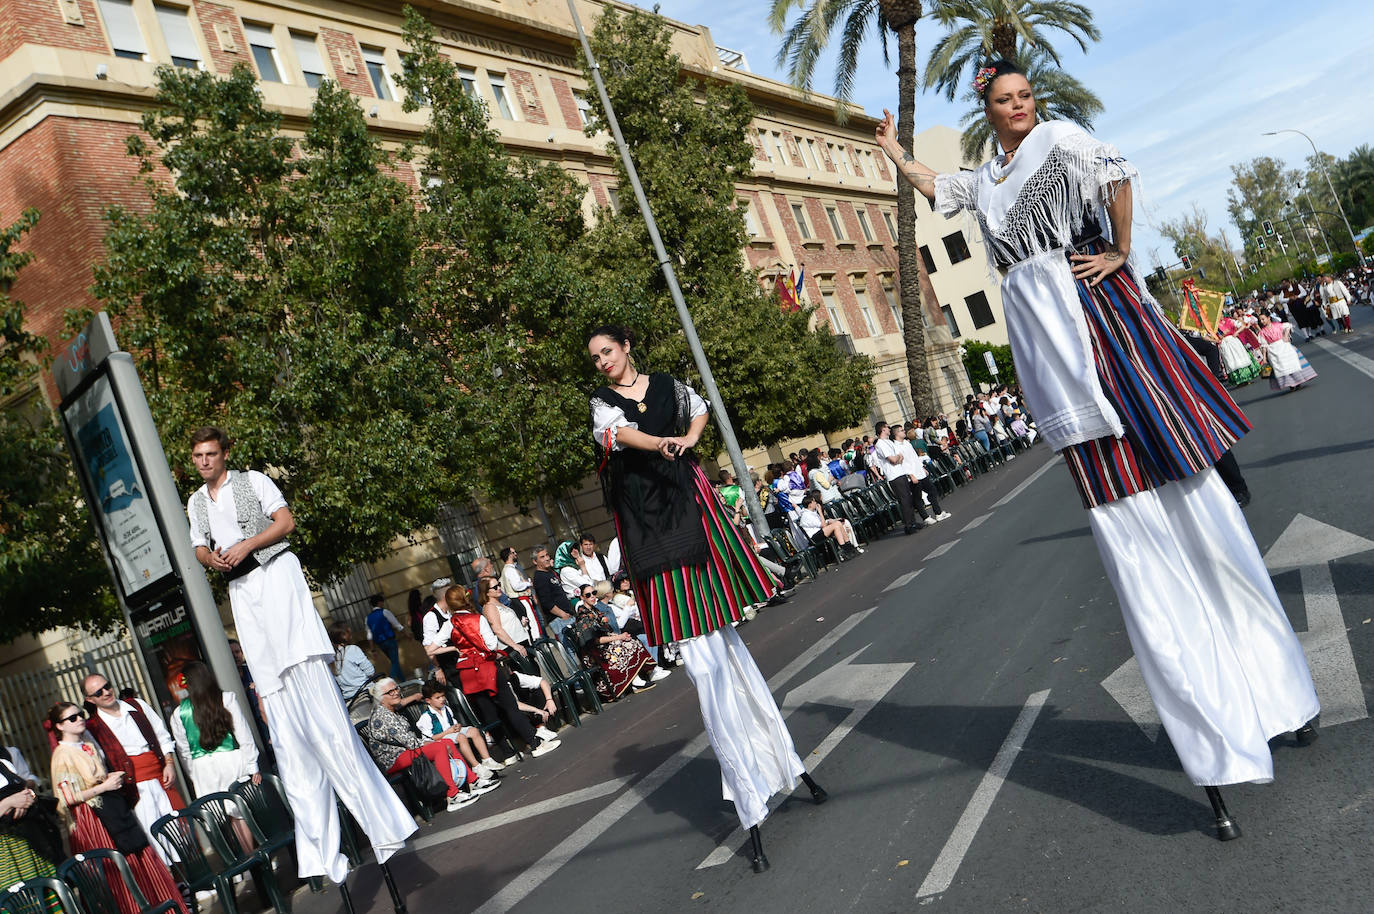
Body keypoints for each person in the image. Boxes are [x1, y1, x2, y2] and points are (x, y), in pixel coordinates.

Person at [876, 60, 1317, 825]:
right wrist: (892, 153)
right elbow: (937, 188)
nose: (1018, 107)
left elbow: (1115, 175)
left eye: (1024, 96)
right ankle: (1232, 717)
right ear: (987, 109)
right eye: (1004, 100)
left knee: (1190, 498)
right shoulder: (986, 179)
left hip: (1099, 318)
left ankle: (1278, 694)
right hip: (1050, 354)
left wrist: (1118, 248)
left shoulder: (1058, 137)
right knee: (1134, 525)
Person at [588, 325, 825, 872]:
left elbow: (700, 409)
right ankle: (753, 787)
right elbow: (621, 437)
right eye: (596, 357)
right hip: (649, 523)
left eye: (608, 351)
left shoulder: (667, 383)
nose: (602, 362)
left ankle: (779, 765)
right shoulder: (602, 405)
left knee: (729, 649)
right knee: (708, 669)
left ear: (627, 348)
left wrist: (689, 440)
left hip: (689, 504)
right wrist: (663, 443)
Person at [186, 426, 415, 881]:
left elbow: (285, 522)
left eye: (211, 454)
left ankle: (379, 825)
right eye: (198, 456)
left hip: (274, 572)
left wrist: (248, 544)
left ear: (226, 454)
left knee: (305, 669)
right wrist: (210, 559)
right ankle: (324, 853)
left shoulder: (253, 481)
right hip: (241, 588)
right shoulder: (196, 502)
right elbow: (196, 546)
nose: (204, 462)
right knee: (276, 693)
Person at [47, 703, 188, 914]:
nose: (79, 719)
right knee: (116, 870)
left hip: (113, 808)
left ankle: (163, 906)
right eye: (72, 718)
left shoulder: (86, 742)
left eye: (80, 715)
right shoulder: (62, 754)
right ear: (60, 726)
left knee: (139, 858)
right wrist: (104, 786)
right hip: (93, 819)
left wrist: (108, 779)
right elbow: (65, 797)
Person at [439, 585, 561, 759]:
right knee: (510, 706)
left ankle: (507, 753)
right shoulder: (477, 619)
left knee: (488, 713)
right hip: (486, 667)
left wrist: (456, 649)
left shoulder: (448, 624)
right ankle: (534, 744)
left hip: (467, 671)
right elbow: (491, 646)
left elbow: (431, 648)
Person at [80, 673, 183, 861]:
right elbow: (99, 762)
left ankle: (198, 879)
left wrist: (169, 763)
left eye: (107, 686)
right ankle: (175, 885)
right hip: (133, 787)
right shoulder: (93, 727)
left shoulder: (137, 706)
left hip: (161, 774)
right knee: (153, 837)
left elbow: (162, 735)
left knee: (179, 827)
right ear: (90, 699)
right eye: (98, 692)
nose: (106, 692)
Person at [169, 662, 260, 852]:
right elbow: (243, 734)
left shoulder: (179, 713)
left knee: (217, 818)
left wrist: (194, 775)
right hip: (231, 760)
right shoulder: (226, 699)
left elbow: (184, 751)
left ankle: (237, 865)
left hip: (202, 768)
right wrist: (253, 766)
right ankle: (252, 858)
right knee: (240, 814)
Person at [365, 680, 493, 813]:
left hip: (406, 751)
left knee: (447, 742)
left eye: (396, 688)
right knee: (439, 747)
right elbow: (411, 743)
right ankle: (452, 795)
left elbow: (412, 741)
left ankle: (472, 780)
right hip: (392, 759)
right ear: (381, 698)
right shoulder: (382, 716)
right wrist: (434, 743)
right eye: (390, 692)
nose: (396, 692)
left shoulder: (392, 709)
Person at [570, 583, 667, 700]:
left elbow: (606, 630)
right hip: (594, 653)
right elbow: (595, 640)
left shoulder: (595, 610)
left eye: (594, 593)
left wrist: (619, 636)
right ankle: (635, 681)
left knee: (631, 640)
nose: (592, 596)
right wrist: (618, 637)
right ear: (582, 597)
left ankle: (638, 679)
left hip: (603, 645)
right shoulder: (583, 616)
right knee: (624, 647)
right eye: (588, 594)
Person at [414, 680, 504, 783]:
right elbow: (430, 738)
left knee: (474, 730)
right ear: (428, 700)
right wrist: (448, 732)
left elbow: (453, 723)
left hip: (452, 733)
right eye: (438, 698)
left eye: (443, 696)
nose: (442, 699)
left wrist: (457, 726)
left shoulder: (446, 709)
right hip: (440, 739)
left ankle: (487, 759)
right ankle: (476, 766)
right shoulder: (426, 717)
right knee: (461, 737)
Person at [1257, 313, 1317, 392]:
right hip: (1273, 350)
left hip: (1284, 346)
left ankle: (1297, 382)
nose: (1262, 321)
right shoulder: (1262, 332)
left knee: (1291, 363)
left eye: (1263, 319)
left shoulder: (1278, 325)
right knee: (1281, 367)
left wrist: (1285, 335)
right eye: (1260, 320)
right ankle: (1291, 384)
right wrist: (1264, 358)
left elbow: (1288, 325)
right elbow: (1264, 346)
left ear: (1268, 318)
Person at [528, 546, 576, 644]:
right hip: (559, 619)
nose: (546, 558)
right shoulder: (539, 577)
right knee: (570, 650)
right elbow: (546, 602)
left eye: (547, 555)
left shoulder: (549, 572)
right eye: (542, 557)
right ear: (535, 561)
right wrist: (562, 614)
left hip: (567, 615)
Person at [798, 492, 860, 559]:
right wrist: (820, 512)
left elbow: (822, 522)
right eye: (814, 501)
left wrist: (830, 520)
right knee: (836, 525)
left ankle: (848, 547)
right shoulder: (806, 515)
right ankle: (846, 549)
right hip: (814, 536)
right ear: (810, 504)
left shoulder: (811, 512)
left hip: (820, 531)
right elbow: (823, 525)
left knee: (837, 525)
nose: (815, 503)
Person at [329, 621, 376, 707]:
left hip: (349, 700)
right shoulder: (352, 649)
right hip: (367, 692)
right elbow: (370, 672)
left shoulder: (331, 658)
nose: (350, 631)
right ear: (343, 635)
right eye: (348, 630)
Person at [365, 594, 405, 681]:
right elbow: (397, 625)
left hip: (380, 644)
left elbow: (369, 636)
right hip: (390, 640)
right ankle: (390, 681)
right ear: (379, 602)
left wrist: (373, 649)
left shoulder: (368, 618)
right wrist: (406, 634)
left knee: (395, 662)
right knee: (395, 662)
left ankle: (403, 681)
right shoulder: (385, 612)